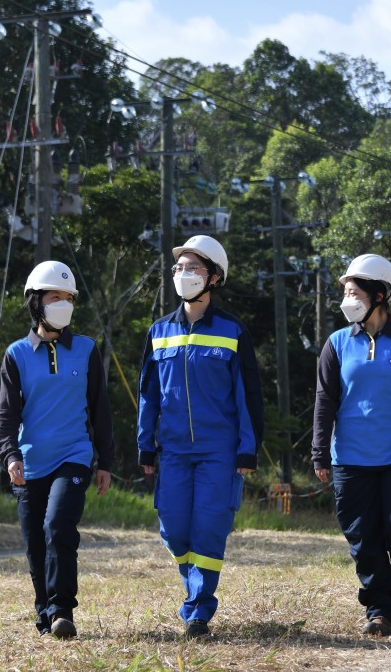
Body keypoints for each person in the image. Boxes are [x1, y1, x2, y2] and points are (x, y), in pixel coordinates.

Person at [137, 235, 265, 639]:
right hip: (173, 450)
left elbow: (249, 396)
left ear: (213, 277)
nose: (183, 274)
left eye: (192, 268)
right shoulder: (159, 332)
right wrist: (144, 443)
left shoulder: (232, 331)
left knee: (209, 527)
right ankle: (192, 589)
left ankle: (198, 610)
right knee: (174, 528)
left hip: (219, 452)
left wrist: (248, 448)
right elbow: (148, 394)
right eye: (179, 268)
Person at [312, 253, 391, 637]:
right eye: (346, 293)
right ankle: (380, 611)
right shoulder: (336, 344)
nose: (347, 300)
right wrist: (320, 451)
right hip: (350, 459)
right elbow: (324, 400)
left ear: (379, 295)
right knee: (364, 538)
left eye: (355, 293)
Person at [0, 260, 115, 639]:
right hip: (30, 463)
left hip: (74, 456)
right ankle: (44, 613)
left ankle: (63, 609)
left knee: (57, 526)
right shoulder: (15, 354)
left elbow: (100, 410)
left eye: (68, 297)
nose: (62, 303)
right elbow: (6, 414)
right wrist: (10, 455)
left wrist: (105, 461)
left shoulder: (86, 349)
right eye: (54, 296)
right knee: (34, 542)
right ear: (36, 302)